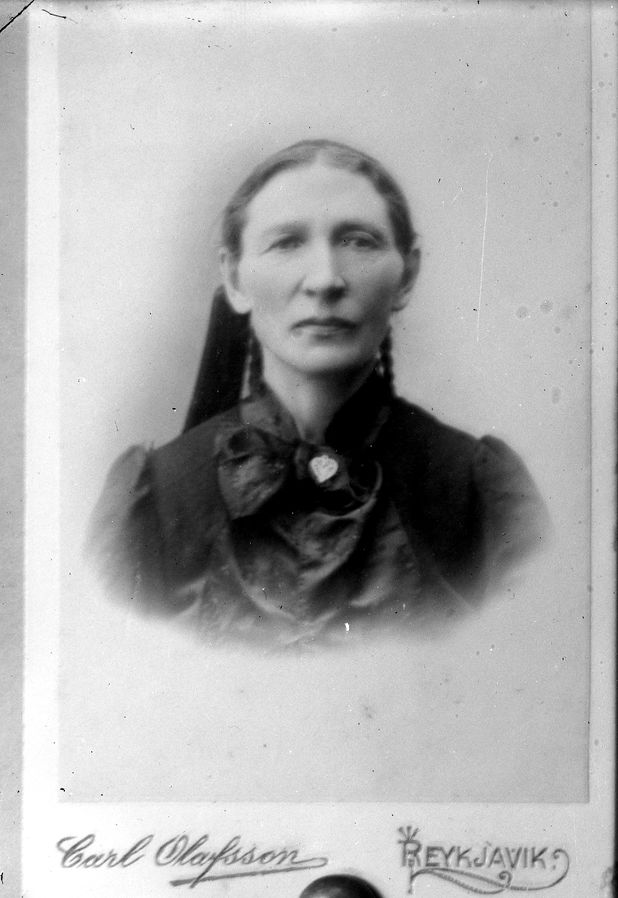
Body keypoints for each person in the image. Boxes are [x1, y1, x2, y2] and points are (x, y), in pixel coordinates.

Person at [86, 139, 548, 645]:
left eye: (359, 242)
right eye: (286, 243)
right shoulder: (155, 502)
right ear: (235, 278)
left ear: (407, 275)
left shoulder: (478, 495)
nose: (325, 279)